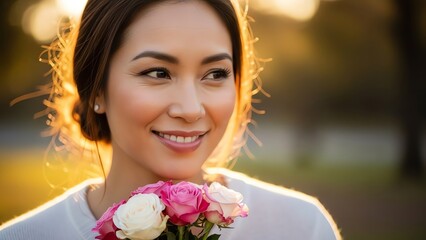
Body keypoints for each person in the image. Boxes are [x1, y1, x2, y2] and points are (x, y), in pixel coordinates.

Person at [0, 0, 341, 239]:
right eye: (159, 72)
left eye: (215, 73)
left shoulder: (300, 228)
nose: (191, 108)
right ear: (97, 90)